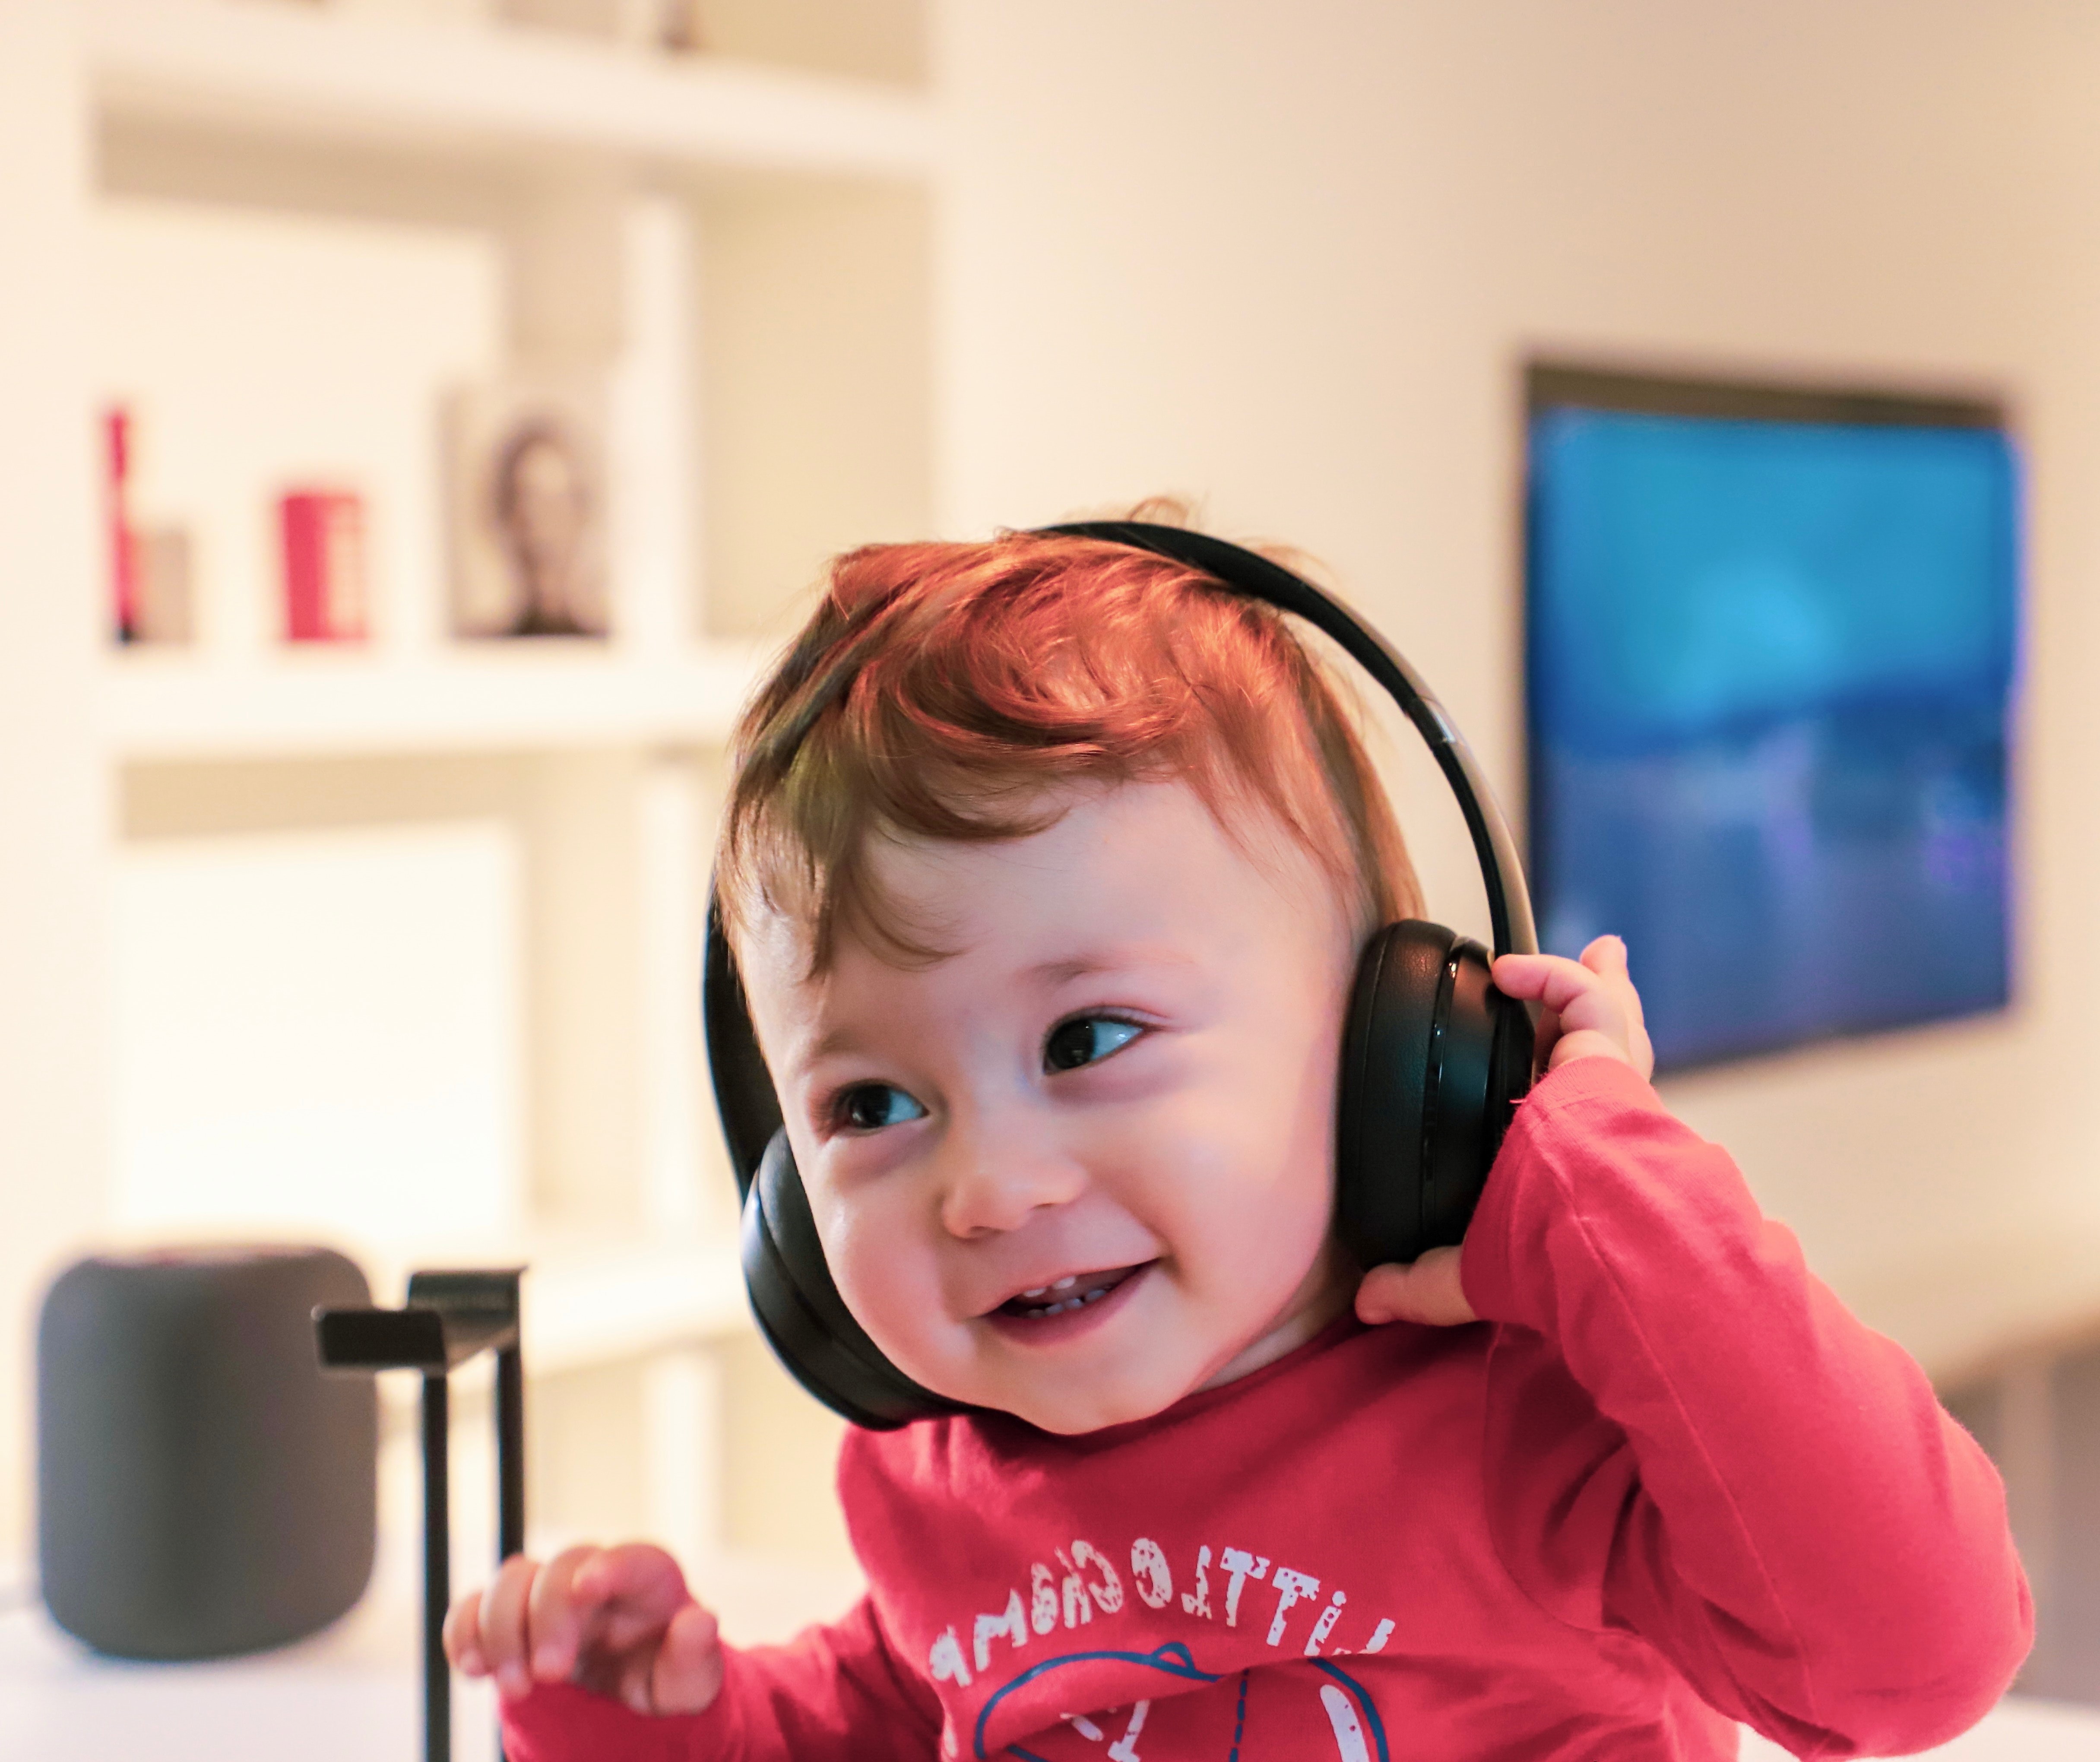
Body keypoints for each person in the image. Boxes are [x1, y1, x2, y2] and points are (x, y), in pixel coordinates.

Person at [447, 523, 2031, 1759]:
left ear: (1394, 1056)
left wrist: (1604, 1188)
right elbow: (896, 1708)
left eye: (1091, 1040)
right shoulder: (945, 1475)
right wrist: (653, 1716)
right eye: (870, 1106)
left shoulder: (1514, 1430)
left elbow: (1918, 1656)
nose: (992, 1187)